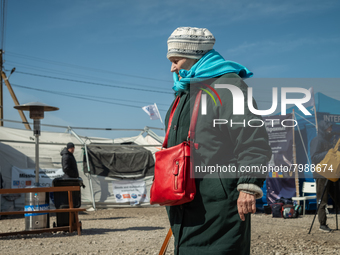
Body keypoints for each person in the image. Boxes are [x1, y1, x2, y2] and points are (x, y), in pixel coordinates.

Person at [164, 27, 272, 254]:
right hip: (186, 199)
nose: (172, 67)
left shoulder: (227, 85)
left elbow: (253, 139)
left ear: (195, 55)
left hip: (218, 204)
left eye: (176, 59)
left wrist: (248, 187)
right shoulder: (184, 91)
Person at [310, 120, 338, 233]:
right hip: (321, 174)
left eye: (331, 128)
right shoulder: (317, 140)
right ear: (323, 128)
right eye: (328, 128)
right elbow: (314, 157)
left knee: (337, 196)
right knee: (322, 200)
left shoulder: (329, 140)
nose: (330, 130)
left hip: (331, 172)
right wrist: (328, 152)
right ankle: (322, 224)